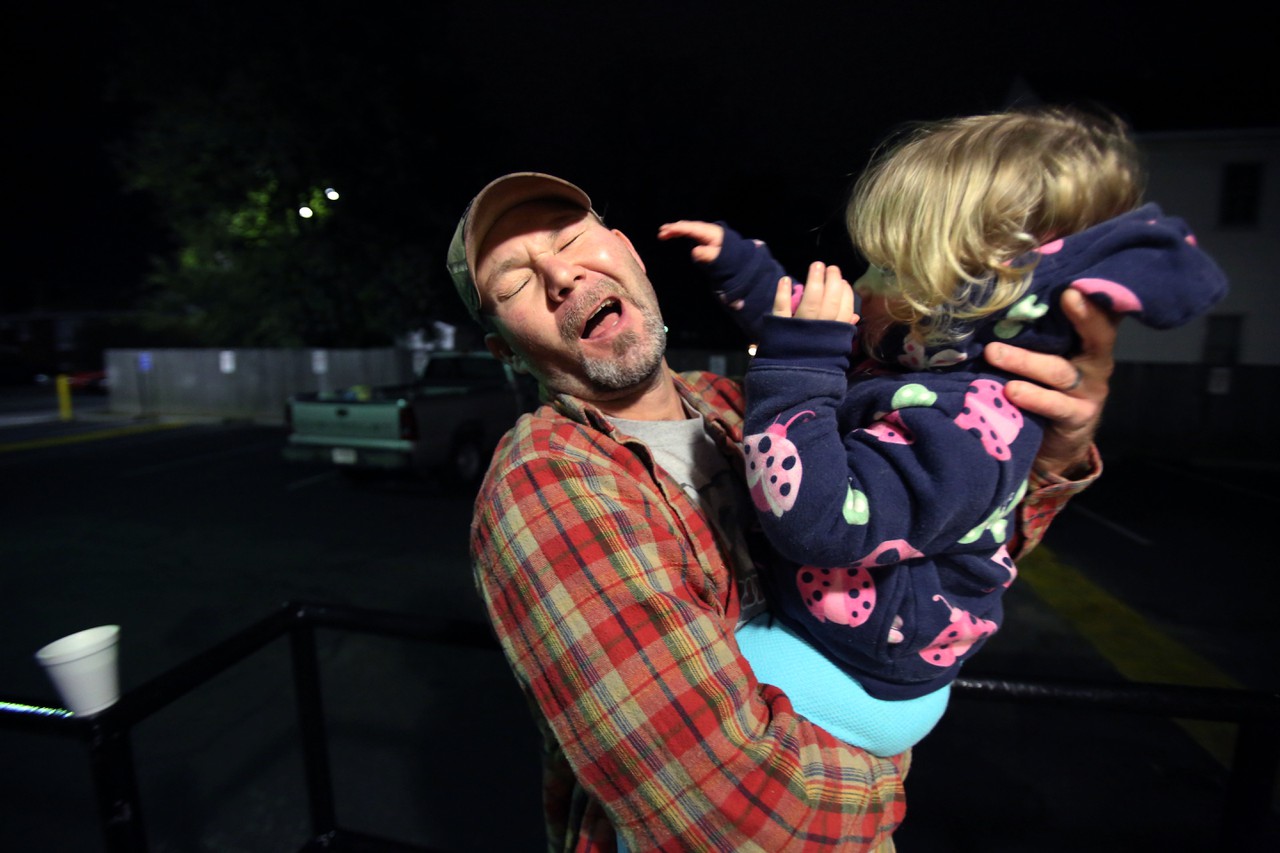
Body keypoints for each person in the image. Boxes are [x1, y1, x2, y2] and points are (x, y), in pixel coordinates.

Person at [446, 170, 1114, 851]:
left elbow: (932, 543)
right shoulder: (546, 479)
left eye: (571, 240)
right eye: (515, 284)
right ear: (504, 350)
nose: (561, 274)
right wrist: (890, 758)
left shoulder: (745, 406)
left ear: (629, 253)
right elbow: (720, 811)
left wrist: (1048, 455)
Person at [657, 107, 1227, 759]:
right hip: (848, 639)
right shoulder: (923, 361)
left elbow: (819, 524)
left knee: (668, 701)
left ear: (965, 296)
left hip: (852, 671)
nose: (862, 282)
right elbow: (823, 328)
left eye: (887, 269)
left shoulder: (970, 420)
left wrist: (794, 368)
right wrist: (743, 268)